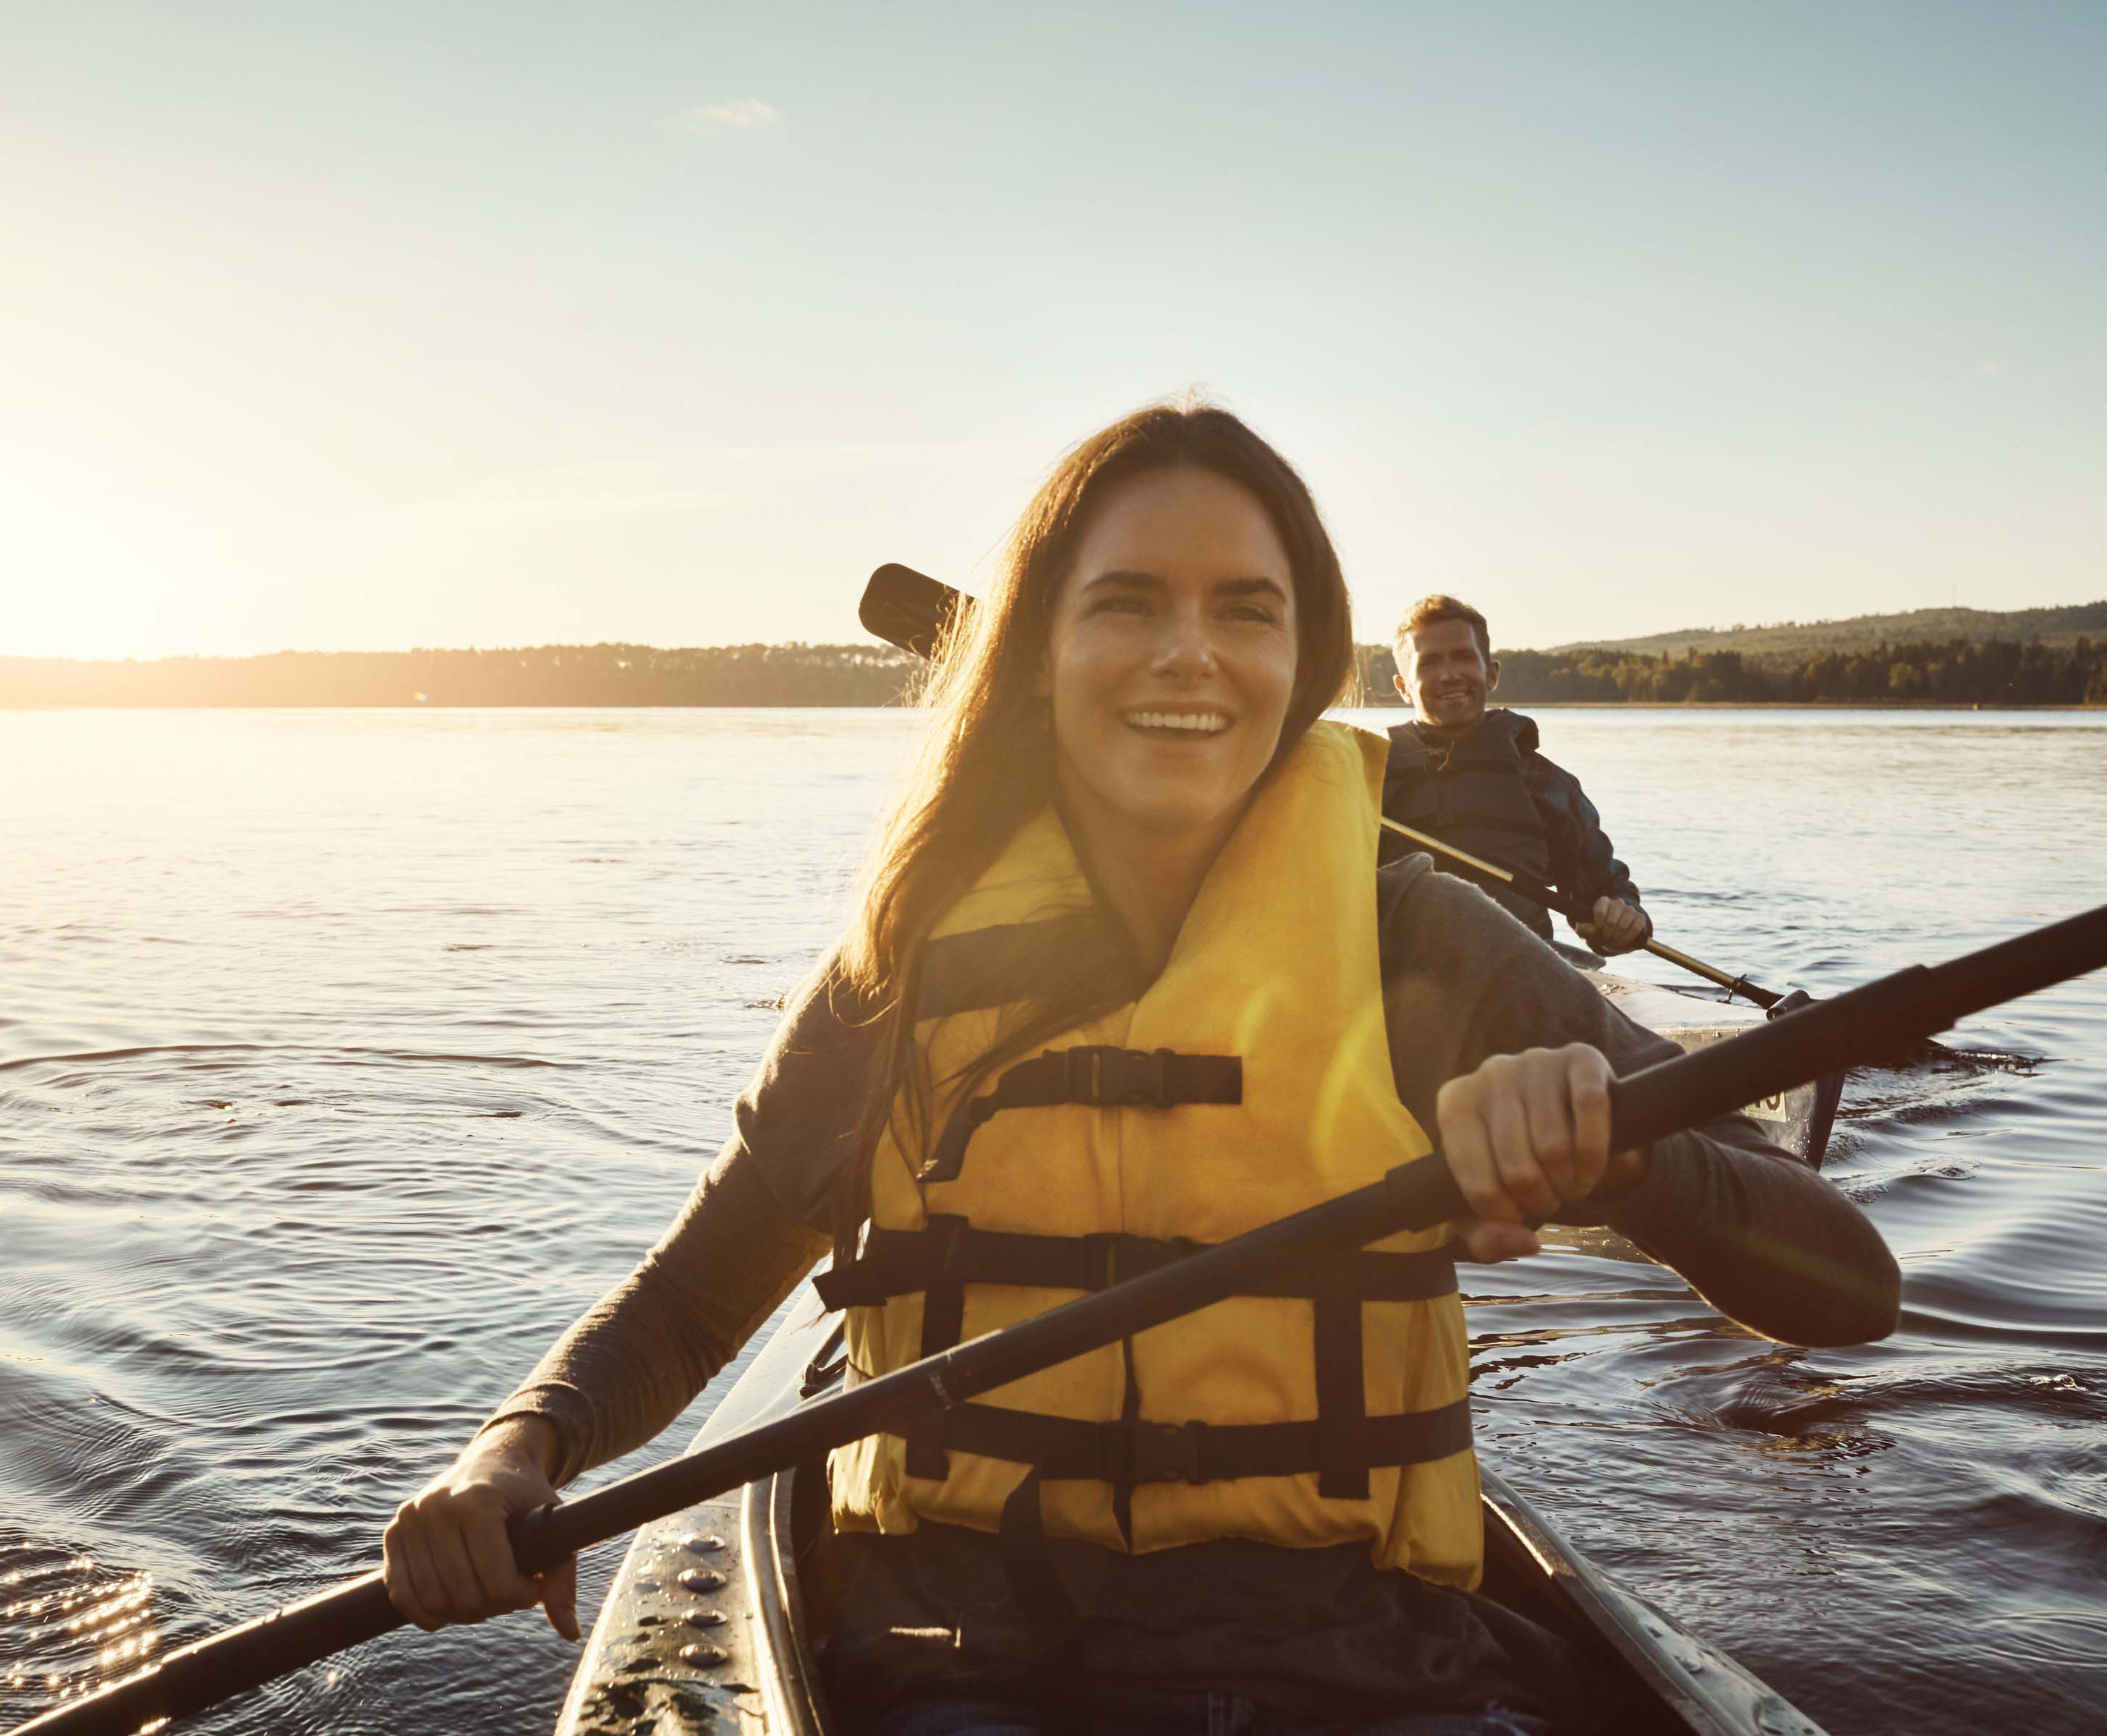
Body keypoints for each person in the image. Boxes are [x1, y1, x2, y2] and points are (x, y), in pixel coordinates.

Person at [380, 406, 1899, 1736]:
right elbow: (697, 1293)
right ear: (1036, 654)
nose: (1189, 650)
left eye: (1247, 608)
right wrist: (519, 1448)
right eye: (1126, 603)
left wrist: (1629, 1159)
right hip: (960, 1669)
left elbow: (1847, 1287)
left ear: (1302, 659)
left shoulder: (1419, 941)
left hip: (1381, 1679)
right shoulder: (905, 956)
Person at [1382, 596, 1651, 956]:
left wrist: (1622, 917)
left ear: (1491, 674)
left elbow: (1607, 893)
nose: (1449, 675)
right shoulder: (1365, 775)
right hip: (1399, 981)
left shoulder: (1545, 782)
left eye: (1463, 657)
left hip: (1519, 980)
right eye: (1429, 663)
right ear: (1403, 686)